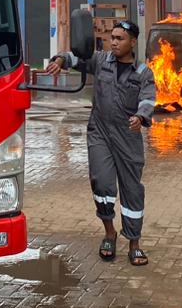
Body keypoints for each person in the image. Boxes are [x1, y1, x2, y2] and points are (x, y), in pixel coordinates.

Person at [45, 20, 156, 267]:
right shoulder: (101, 60)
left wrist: (140, 117)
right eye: (112, 37)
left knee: (132, 190)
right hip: (100, 134)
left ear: (133, 42)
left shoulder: (143, 72)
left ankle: (134, 243)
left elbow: (148, 100)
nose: (114, 42)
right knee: (102, 184)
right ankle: (109, 232)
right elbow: (76, 58)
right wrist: (61, 60)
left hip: (128, 136)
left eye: (120, 38)